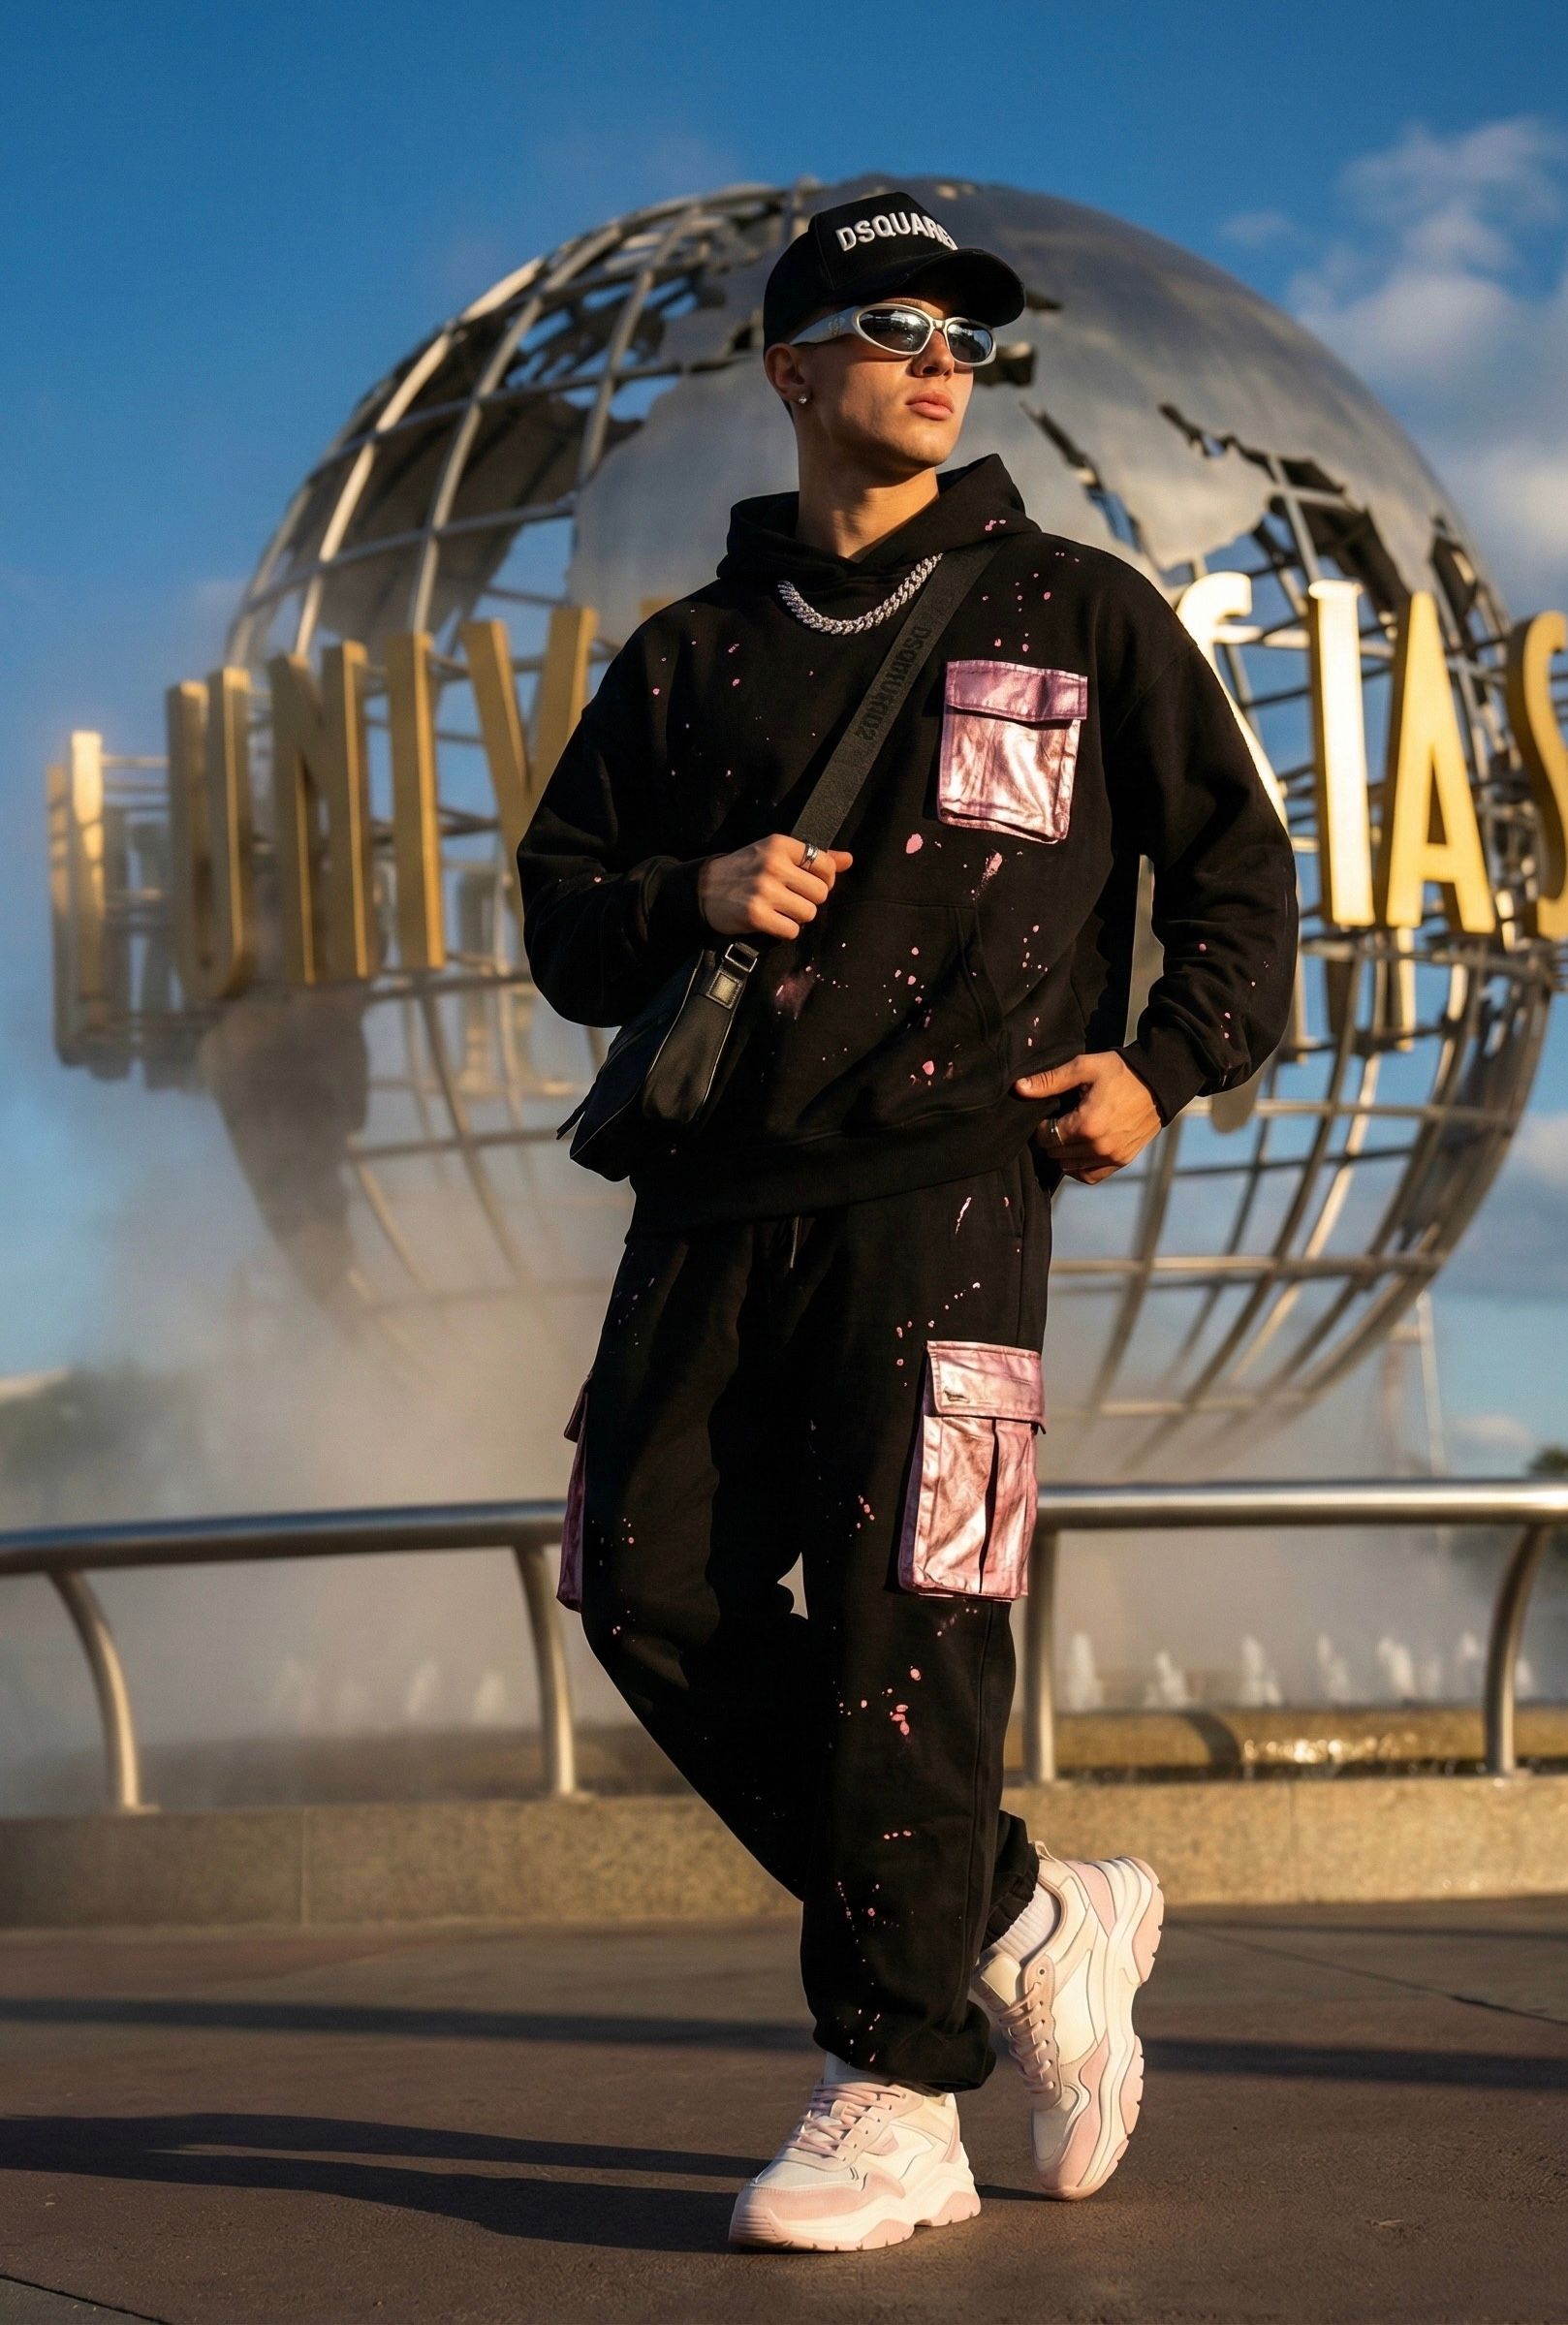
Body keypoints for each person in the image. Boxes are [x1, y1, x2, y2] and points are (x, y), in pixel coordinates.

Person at [517, 188, 1299, 2252]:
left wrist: (1163, 1063)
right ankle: (1035, 1911)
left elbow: (1239, 884)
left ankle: (896, 2089)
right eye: (886, 323)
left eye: (964, 328)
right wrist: (689, 893)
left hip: (948, 1209)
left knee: (908, 1626)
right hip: (703, 1212)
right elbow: (557, 921)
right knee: (636, 1585)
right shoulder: (683, 664)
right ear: (790, 374)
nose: (937, 354)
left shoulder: (1077, 611)